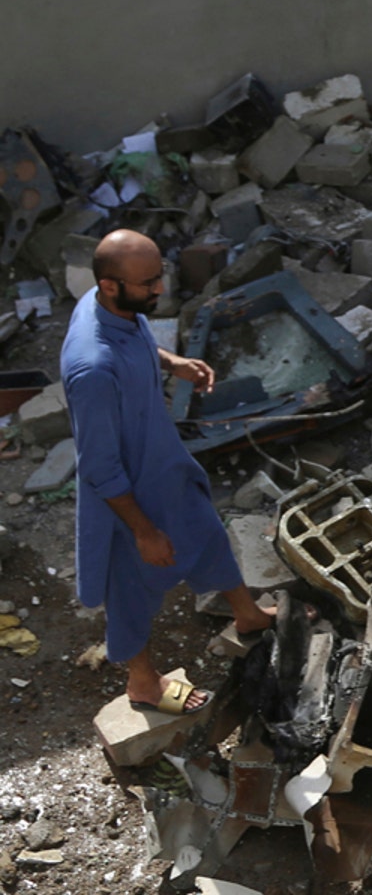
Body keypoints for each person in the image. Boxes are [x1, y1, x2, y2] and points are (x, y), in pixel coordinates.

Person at [63, 230, 275, 715]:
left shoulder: (116, 308)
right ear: (110, 285)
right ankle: (143, 682)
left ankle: (247, 615)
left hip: (164, 464)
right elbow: (99, 466)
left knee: (207, 530)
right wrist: (143, 530)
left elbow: (135, 342)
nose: (159, 290)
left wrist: (172, 362)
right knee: (129, 590)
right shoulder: (91, 368)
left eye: (160, 277)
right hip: (127, 496)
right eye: (147, 284)